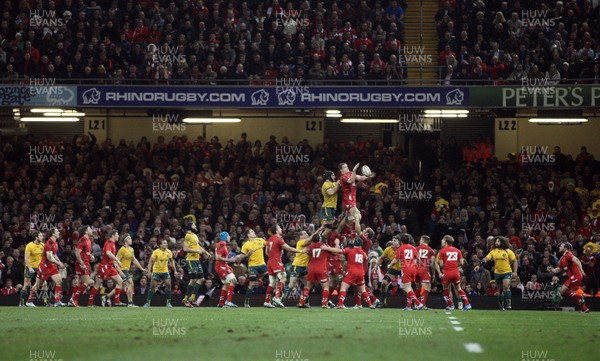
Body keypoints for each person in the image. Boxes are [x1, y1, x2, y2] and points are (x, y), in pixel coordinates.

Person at [321, 238, 374, 309]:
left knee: (343, 287)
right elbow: (366, 259)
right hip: (361, 272)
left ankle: (340, 304)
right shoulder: (363, 253)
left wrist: (326, 248)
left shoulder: (350, 250)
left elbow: (338, 250)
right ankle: (370, 304)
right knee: (363, 290)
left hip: (352, 272)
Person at [265, 225, 306, 308]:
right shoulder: (278, 239)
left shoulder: (269, 240)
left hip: (269, 261)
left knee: (272, 282)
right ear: (276, 231)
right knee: (283, 278)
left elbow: (266, 252)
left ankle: (267, 301)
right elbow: (289, 249)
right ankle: (277, 297)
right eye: (279, 228)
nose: (281, 229)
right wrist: (301, 251)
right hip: (276, 261)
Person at [477, 236, 517, 310]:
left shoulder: (508, 251)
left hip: (507, 272)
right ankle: (501, 306)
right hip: (497, 273)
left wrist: (515, 272)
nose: (496, 243)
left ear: (502, 242)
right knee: (500, 290)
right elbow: (486, 259)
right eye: (496, 241)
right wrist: (479, 265)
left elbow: (514, 261)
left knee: (506, 287)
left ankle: (508, 304)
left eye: (498, 241)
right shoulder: (493, 251)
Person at [214, 231, 253, 308]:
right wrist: (230, 260)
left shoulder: (221, 244)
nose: (229, 237)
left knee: (227, 284)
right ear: (224, 237)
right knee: (233, 280)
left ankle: (221, 303)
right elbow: (217, 257)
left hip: (222, 265)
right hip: (221, 266)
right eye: (228, 236)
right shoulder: (222, 244)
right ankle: (228, 301)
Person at [549, 242, 589, 313]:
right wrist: (552, 270)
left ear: (566, 248)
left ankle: (581, 296)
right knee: (572, 295)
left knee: (561, 291)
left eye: (561, 246)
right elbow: (558, 269)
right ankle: (585, 308)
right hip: (574, 277)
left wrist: (582, 271)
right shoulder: (563, 258)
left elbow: (577, 260)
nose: (559, 247)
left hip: (575, 276)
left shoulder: (568, 254)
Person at [388, 234, 423, 310]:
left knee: (407, 288)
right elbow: (419, 259)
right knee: (409, 287)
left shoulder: (400, 249)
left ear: (401, 241)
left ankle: (418, 303)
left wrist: (390, 265)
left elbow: (395, 260)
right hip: (413, 269)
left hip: (405, 268)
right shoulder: (413, 248)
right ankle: (408, 306)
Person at [436, 235, 472, 311]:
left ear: (446, 242)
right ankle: (467, 304)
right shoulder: (457, 250)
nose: (441, 241)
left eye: (443, 240)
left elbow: (442, 264)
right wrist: (454, 264)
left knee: (445, 288)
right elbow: (462, 263)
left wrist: (447, 264)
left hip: (447, 272)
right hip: (456, 272)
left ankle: (450, 305)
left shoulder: (442, 251)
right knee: (458, 288)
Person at [182, 222, 213, 308]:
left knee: (201, 279)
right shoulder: (188, 235)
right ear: (189, 227)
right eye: (193, 225)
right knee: (194, 279)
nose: (195, 226)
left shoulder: (195, 235)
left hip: (196, 260)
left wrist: (206, 252)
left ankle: (191, 298)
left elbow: (198, 246)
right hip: (191, 260)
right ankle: (186, 299)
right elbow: (185, 248)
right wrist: (196, 251)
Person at [338, 162, 375, 233]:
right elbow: (350, 181)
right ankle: (360, 235)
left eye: (347, 166)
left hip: (353, 199)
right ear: (341, 170)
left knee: (351, 220)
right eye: (345, 167)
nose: (347, 167)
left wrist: (368, 176)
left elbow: (360, 178)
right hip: (348, 200)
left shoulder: (350, 174)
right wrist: (354, 170)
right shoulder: (343, 176)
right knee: (357, 216)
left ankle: (346, 233)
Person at [113, 234, 146, 307]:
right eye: (129, 239)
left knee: (126, 285)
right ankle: (130, 303)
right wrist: (120, 272)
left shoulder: (131, 249)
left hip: (127, 270)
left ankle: (107, 297)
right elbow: (115, 262)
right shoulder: (122, 250)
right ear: (125, 241)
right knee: (130, 284)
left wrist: (141, 268)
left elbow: (134, 260)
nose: (131, 240)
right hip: (122, 269)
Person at [95, 230, 126, 307]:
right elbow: (108, 253)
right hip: (105, 266)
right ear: (113, 235)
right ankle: (90, 302)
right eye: (117, 234)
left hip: (110, 266)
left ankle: (115, 300)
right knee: (98, 284)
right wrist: (117, 260)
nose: (118, 236)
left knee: (121, 282)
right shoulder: (109, 242)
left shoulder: (113, 244)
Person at [37, 228, 67, 307]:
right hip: (45, 266)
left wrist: (60, 262)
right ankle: (28, 301)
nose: (59, 232)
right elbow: (49, 257)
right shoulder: (49, 243)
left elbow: (54, 255)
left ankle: (57, 302)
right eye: (57, 231)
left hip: (51, 266)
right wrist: (58, 263)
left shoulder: (55, 243)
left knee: (59, 281)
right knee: (38, 284)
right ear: (53, 234)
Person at [300, 233, 331, 308]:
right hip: (321, 269)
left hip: (311, 269)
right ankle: (324, 304)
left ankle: (301, 302)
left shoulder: (309, 247)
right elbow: (333, 253)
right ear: (320, 239)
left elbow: (307, 253)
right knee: (325, 287)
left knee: (308, 286)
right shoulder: (323, 246)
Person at [240, 228, 268, 308]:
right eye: (252, 231)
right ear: (248, 235)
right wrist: (247, 255)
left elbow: (269, 245)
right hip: (253, 266)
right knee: (252, 284)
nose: (254, 232)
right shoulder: (246, 245)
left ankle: (269, 300)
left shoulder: (260, 240)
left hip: (262, 265)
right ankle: (246, 301)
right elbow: (241, 257)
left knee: (271, 279)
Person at [145, 239, 176, 307]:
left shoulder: (169, 252)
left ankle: (168, 302)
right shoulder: (156, 252)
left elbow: (172, 260)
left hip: (165, 271)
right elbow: (150, 262)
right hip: (156, 271)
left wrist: (175, 270)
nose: (166, 244)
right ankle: (148, 302)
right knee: (153, 286)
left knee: (168, 285)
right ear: (160, 245)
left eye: (166, 243)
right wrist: (149, 272)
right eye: (164, 243)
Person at [70, 226, 95, 307]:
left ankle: (73, 300)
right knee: (88, 282)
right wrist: (82, 264)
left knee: (80, 283)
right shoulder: (83, 239)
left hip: (86, 263)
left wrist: (90, 255)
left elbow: (84, 252)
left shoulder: (88, 241)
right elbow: (77, 253)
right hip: (82, 264)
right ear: (86, 231)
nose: (92, 230)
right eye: (90, 229)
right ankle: (73, 299)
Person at [373, 238, 401, 307]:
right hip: (393, 269)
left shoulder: (402, 249)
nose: (392, 242)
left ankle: (413, 303)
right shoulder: (388, 249)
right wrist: (376, 266)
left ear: (399, 243)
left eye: (395, 241)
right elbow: (381, 258)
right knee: (384, 283)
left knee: (409, 285)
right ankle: (384, 302)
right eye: (392, 240)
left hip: (403, 269)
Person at [21, 231, 45, 307]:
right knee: (26, 284)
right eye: (40, 236)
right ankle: (21, 303)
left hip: (39, 267)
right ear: (36, 237)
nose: (42, 237)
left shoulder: (42, 245)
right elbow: (26, 258)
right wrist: (30, 268)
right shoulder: (29, 246)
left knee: (39, 284)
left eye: (42, 236)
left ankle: (29, 301)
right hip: (30, 266)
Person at [415, 235, 436, 309]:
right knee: (427, 288)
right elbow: (433, 263)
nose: (419, 241)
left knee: (418, 288)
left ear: (423, 241)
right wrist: (433, 274)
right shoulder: (431, 250)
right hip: (424, 270)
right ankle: (423, 305)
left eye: (420, 240)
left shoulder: (416, 249)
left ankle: (416, 304)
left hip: (416, 270)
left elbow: (413, 261)